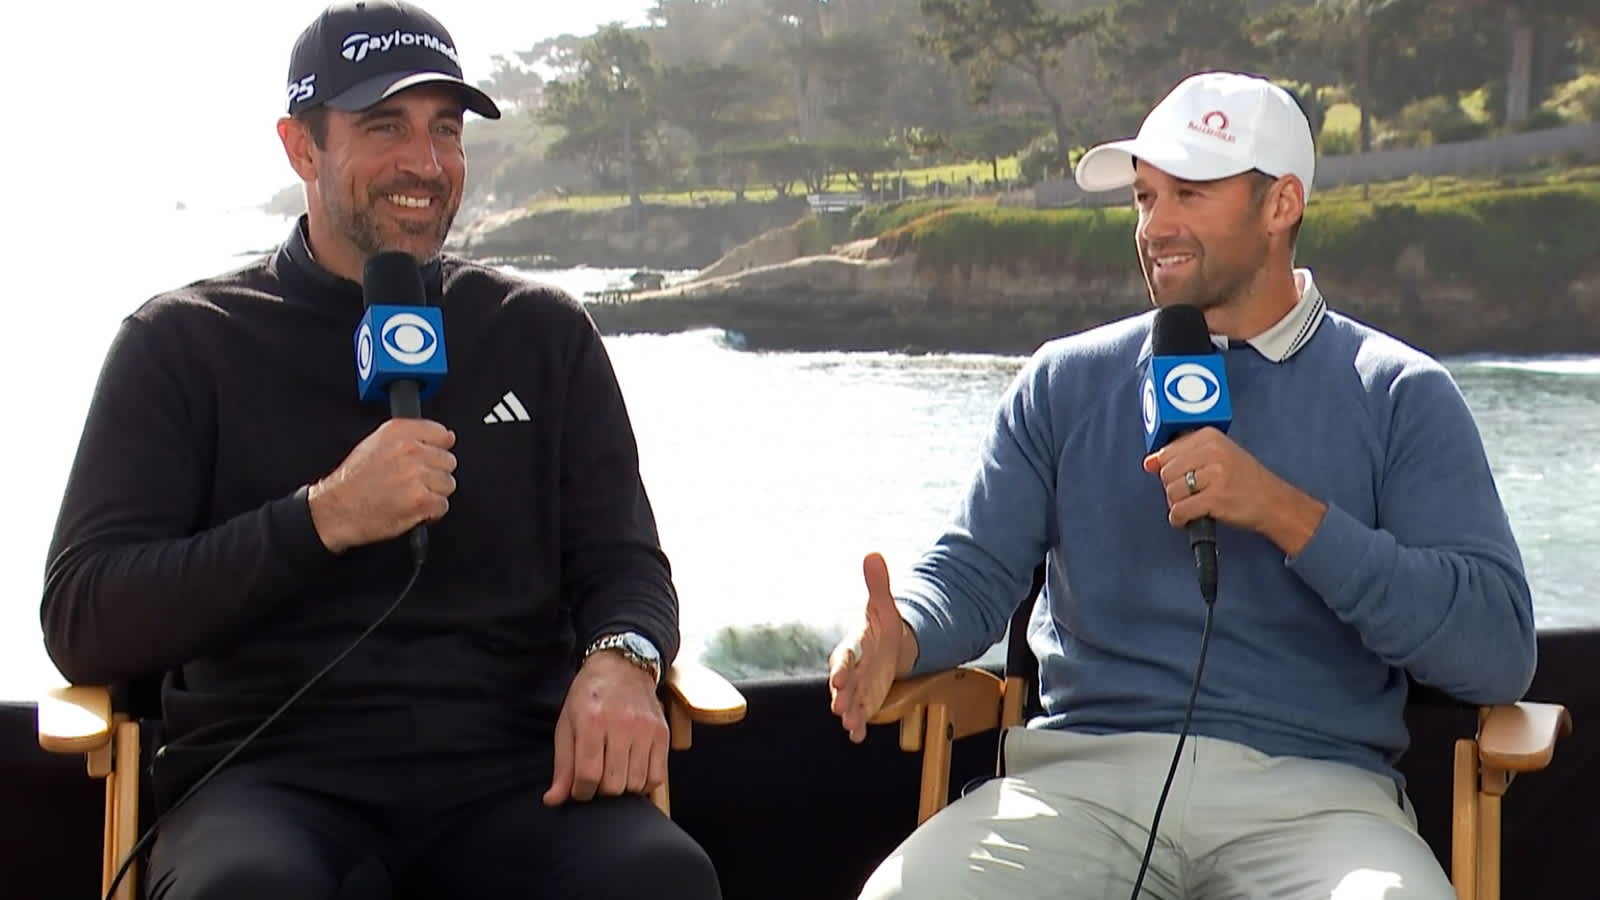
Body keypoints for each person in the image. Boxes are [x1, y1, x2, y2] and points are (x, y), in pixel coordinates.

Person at [40, 2, 719, 898]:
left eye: (446, 130)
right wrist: (320, 521)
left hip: (513, 774)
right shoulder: (181, 345)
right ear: (301, 147)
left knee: (660, 877)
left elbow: (626, 566)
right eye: (384, 126)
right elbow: (85, 617)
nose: (426, 163)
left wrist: (625, 658)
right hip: (267, 781)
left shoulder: (542, 336)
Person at [828, 71, 1536, 899]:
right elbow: (971, 575)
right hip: (1077, 789)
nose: (1154, 227)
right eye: (1143, 198)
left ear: (1282, 207)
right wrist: (901, 634)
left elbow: (1496, 651)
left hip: (1320, 805)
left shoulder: (1400, 393)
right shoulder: (1064, 380)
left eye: (1189, 195)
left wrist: (1286, 514)